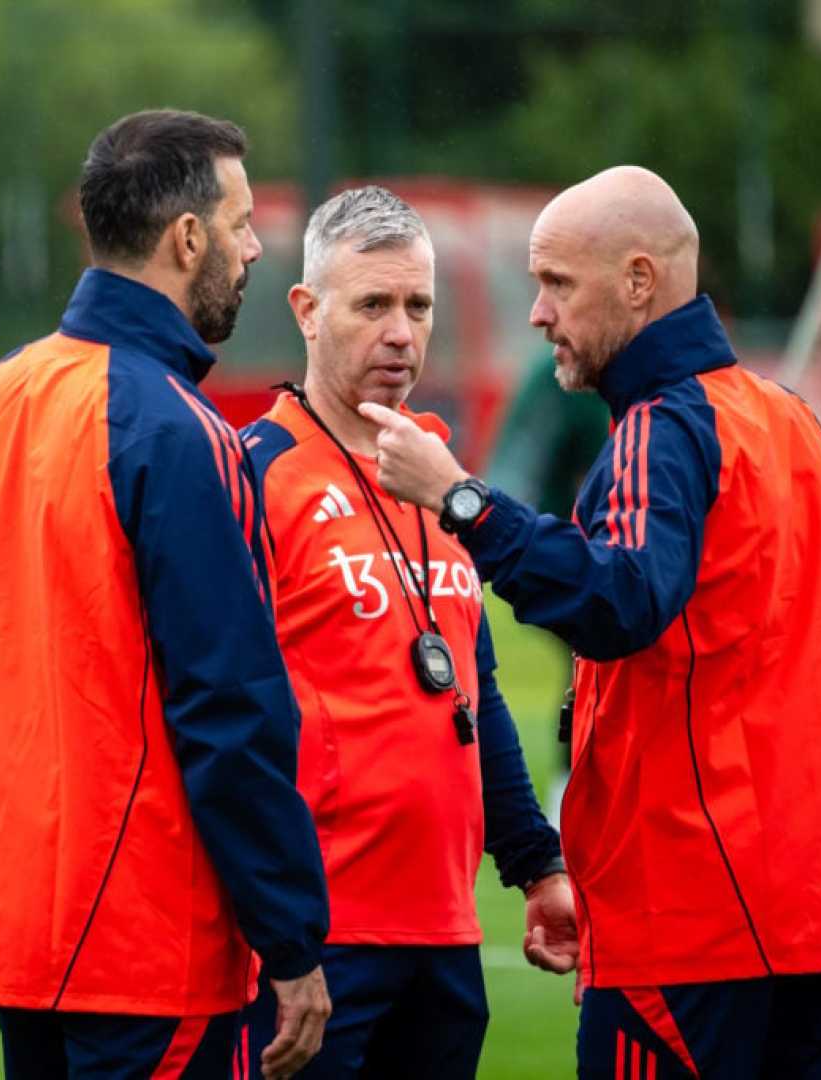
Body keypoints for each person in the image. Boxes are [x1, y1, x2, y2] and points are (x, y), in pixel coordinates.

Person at [358, 166, 821, 1078]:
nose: (539, 313)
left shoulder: (661, 426)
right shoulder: (782, 418)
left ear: (637, 282)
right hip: (809, 910)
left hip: (688, 912)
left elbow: (616, 604)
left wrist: (460, 501)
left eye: (557, 284)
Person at [0, 110, 331, 1080]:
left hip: (15, 930)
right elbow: (228, 706)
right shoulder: (175, 430)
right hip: (143, 944)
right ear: (184, 238)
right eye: (239, 225)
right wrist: (291, 938)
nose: (251, 248)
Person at [237, 186, 575, 1078]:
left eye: (417, 305)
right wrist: (274, 932)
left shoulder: (436, 470)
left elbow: (474, 690)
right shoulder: (253, 477)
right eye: (372, 305)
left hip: (443, 932)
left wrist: (538, 865)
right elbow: (215, 715)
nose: (400, 332)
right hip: (317, 941)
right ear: (307, 312)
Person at [486, 347, 611, 825]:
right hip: (555, 547)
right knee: (591, 667)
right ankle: (567, 812)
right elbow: (522, 471)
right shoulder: (566, 379)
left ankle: (571, 810)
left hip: (561, 547)